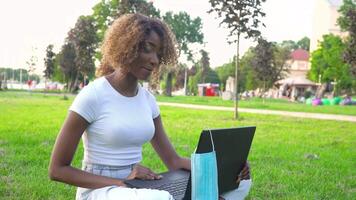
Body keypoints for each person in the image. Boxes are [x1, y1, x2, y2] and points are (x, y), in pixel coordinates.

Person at [49, 13, 252, 200]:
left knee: (241, 184)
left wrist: (221, 169)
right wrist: (121, 182)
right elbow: (57, 169)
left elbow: (173, 161)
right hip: (99, 190)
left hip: (136, 186)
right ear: (126, 46)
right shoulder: (93, 95)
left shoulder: (147, 100)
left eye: (158, 53)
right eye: (147, 49)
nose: (154, 60)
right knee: (159, 198)